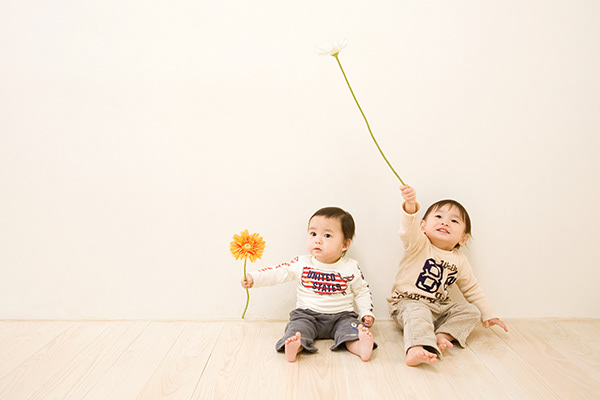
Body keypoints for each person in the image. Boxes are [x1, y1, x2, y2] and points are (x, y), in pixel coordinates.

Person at [388, 185, 507, 367]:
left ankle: (442, 335)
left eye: (454, 221)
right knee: (418, 311)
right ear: (422, 226)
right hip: (408, 303)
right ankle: (415, 349)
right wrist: (410, 205)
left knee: (472, 311)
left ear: (463, 239)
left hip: (438, 307)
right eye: (438, 217)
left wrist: (488, 314)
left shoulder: (459, 259)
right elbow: (407, 230)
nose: (445, 222)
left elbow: (471, 288)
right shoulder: (418, 244)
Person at [241, 207, 376, 362]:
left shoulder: (350, 267)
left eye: (327, 235)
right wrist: (254, 278)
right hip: (307, 315)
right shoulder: (302, 263)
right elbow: (279, 272)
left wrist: (366, 312)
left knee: (351, 331)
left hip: (342, 316)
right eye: (313, 234)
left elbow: (362, 291)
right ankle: (295, 345)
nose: (317, 240)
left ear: (345, 244)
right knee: (297, 329)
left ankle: (360, 347)